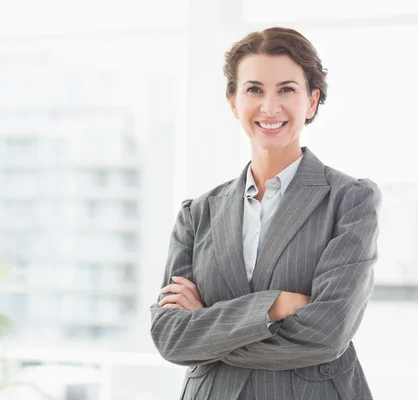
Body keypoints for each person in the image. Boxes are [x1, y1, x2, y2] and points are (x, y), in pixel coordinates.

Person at [150, 26, 381, 400]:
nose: (269, 107)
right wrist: (275, 305)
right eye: (254, 89)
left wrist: (207, 329)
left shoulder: (350, 200)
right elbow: (170, 335)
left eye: (287, 89)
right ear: (233, 101)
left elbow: (327, 333)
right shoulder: (198, 213)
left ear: (311, 101)